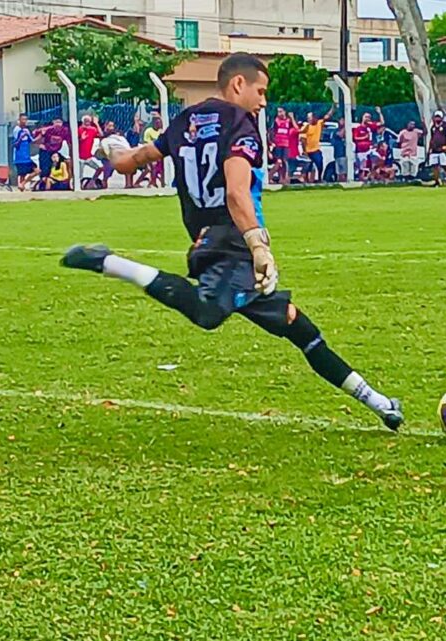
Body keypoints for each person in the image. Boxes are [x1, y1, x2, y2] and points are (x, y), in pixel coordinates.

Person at [62, 53, 403, 431]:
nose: (263, 101)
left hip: (207, 241)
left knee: (295, 324)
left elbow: (134, 160)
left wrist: (110, 150)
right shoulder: (240, 124)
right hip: (232, 242)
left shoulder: (186, 120)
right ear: (238, 84)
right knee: (208, 313)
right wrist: (259, 247)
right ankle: (109, 262)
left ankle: (380, 403)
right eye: (260, 91)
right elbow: (237, 194)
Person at [300, 106, 333, 182]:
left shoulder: (319, 123)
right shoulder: (306, 127)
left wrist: (333, 108)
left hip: (316, 150)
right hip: (308, 151)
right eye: (308, 118)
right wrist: (304, 151)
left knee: (320, 164)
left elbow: (327, 117)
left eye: (310, 117)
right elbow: (302, 140)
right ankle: (306, 180)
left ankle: (319, 178)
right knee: (307, 166)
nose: (309, 119)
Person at [11, 113, 38, 192]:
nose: (24, 121)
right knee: (22, 175)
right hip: (20, 157)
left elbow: (32, 141)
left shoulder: (26, 130)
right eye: (23, 119)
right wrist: (20, 137)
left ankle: (23, 184)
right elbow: (15, 144)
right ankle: (21, 189)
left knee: (37, 171)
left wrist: (40, 136)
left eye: (26, 119)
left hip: (27, 156)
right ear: (19, 120)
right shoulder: (17, 130)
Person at [77, 114, 105, 189]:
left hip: (89, 157)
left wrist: (96, 124)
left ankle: (92, 182)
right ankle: (79, 188)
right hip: (80, 157)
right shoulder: (79, 129)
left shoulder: (92, 129)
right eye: (86, 121)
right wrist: (81, 139)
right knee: (79, 175)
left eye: (89, 121)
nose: (87, 123)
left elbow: (101, 134)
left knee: (100, 168)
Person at [428, 110, 446, 187]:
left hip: (442, 149)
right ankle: (437, 181)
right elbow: (432, 138)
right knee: (435, 166)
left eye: (438, 117)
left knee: (444, 165)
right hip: (434, 149)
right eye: (436, 117)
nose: (437, 118)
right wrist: (430, 148)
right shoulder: (433, 127)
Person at [144, 115, 164, 188]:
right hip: (151, 151)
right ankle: (152, 182)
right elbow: (147, 143)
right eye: (156, 121)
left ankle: (162, 183)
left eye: (159, 122)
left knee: (163, 167)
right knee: (153, 165)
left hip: (161, 152)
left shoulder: (162, 131)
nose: (158, 123)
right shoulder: (148, 131)